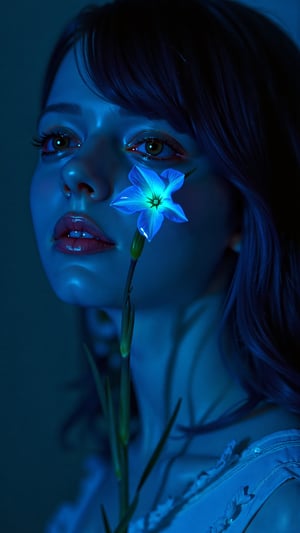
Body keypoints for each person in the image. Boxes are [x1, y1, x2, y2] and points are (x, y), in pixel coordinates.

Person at [30, 0, 300, 530]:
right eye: (59, 139)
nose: (78, 172)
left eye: (151, 145)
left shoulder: (283, 503)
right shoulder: (104, 476)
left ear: (246, 206)